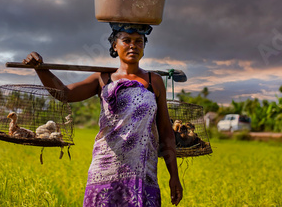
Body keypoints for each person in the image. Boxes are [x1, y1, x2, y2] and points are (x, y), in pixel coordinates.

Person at [23, 23, 182, 206]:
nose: (133, 45)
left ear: (144, 47)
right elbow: (65, 94)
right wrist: (40, 69)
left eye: (139, 41)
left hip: (143, 172)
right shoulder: (103, 78)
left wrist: (174, 177)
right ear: (115, 45)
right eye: (126, 40)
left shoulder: (154, 81)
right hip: (105, 170)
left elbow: (165, 130)